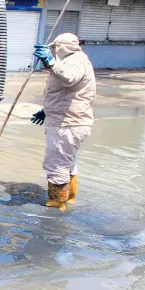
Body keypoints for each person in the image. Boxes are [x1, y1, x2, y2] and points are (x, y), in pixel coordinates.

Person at [31, 33, 96, 210]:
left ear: (63, 47)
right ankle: (69, 199)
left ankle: (56, 206)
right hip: (70, 120)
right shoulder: (74, 60)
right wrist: (47, 110)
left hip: (67, 124)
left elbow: (69, 78)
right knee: (68, 163)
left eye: (54, 48)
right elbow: (68, 92)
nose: (53, 50)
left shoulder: (75, 62)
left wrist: (51, 61)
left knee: (56, 165)